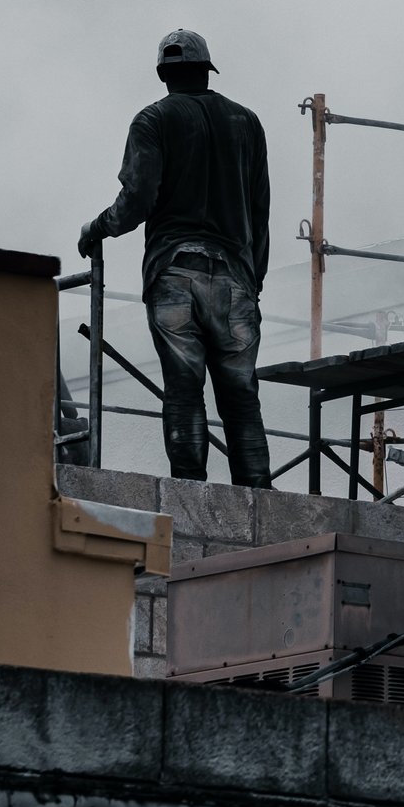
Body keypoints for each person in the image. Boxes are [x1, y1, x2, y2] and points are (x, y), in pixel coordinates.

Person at [79, 29, 274, 486]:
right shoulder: (247, 122)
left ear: (164, 74)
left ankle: (190, 494)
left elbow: (137, 199)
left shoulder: (153, 120)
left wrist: (97, 227)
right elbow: (260, 208)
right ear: (207, 71)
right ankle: (259, 493)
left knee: (184, 391)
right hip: (235, 278)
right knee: (241, 395)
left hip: (174, 271)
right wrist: (254, 277)